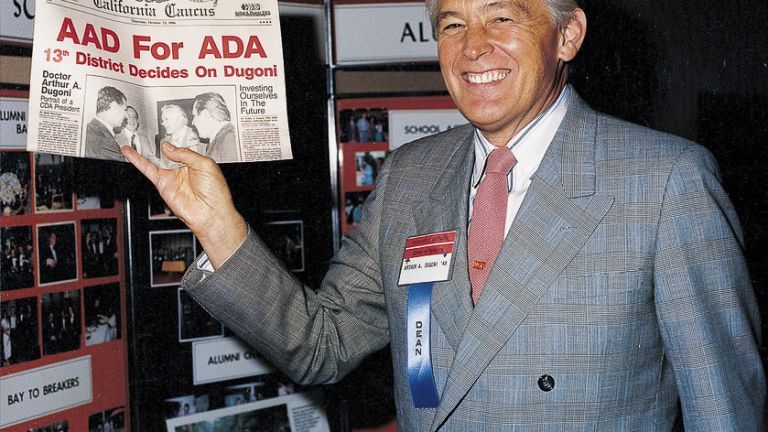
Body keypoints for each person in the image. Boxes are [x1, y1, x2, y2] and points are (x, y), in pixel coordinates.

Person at [122, 0, 765, 429]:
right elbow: (322, 345)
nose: (473, 47)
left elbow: (724, 410)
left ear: (568, 34)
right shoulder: (411, 176)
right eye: (452, 23)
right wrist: (217, 225)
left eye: (502, 17)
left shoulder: (664, 182)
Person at [191, 92, 239, 163]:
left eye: (194, 116)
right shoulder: (221, 137)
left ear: (205, 115)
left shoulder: (228, 137)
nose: (193, 122)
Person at [85, 86, 128, 161]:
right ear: (113, 106)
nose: (126, 115)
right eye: (124, 110)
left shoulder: (89, 130)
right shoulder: (105, 141)